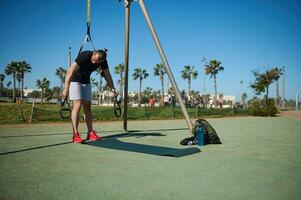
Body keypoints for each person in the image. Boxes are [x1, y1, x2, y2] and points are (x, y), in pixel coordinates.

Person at [62, 49, 117, 143]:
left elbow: (107, 75)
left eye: (97, 62)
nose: (94, 62)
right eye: (94, 60)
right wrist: (66, 88)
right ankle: (75, 134)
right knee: (77, 104)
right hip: (75, 80)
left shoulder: (103, 61)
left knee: (87, 107)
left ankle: (90, 133)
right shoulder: (84, 55)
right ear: (94, 53)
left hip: (86, 82)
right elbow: (70, 71)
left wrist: (113, 89)